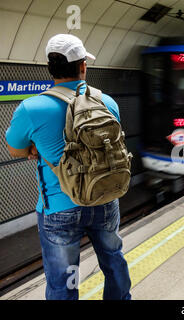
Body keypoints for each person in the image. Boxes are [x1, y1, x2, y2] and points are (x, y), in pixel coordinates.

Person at [5, 34, 131, 300]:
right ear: (83, 65)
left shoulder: (31, 108)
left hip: (59, 209)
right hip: (104, 198)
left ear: (50, 68)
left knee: (64, 280)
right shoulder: (107, 103)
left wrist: (35, 148)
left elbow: (14, 149)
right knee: (113, 259)